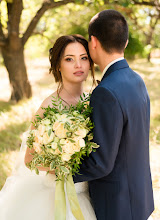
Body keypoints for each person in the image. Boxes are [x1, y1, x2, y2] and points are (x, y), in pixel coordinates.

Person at [0, 34, 97, 220]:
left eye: (84, 58)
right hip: (56, 195)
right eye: (70, 59)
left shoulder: (92, 101)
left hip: (90, 192)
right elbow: (30, 159)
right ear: (58, 65)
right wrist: (64, 167)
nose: (79, 65)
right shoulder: (49, 105)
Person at [73, 9, 154, 220]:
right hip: (139, 198)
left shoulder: (105, 92)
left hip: (117, 206)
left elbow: (101, 163)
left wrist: (62, 173)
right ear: (125, 42)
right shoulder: (137, 80)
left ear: (93, 42)